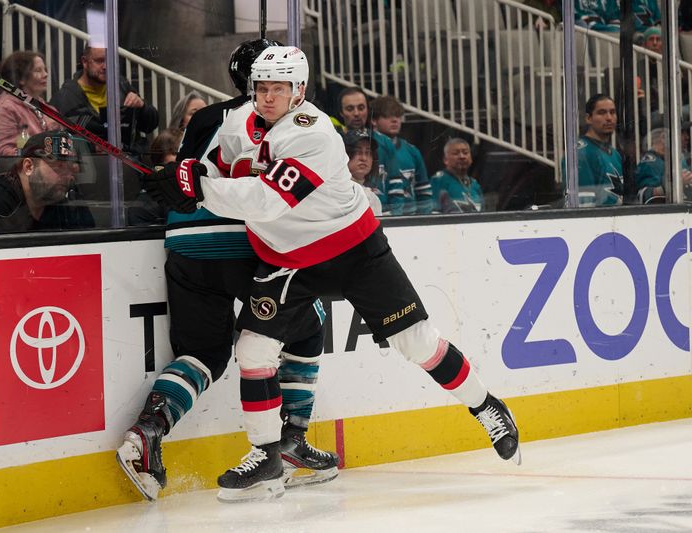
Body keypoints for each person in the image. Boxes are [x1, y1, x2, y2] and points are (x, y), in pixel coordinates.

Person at [146, 45, 521, 503]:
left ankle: (487, 407)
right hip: (286, 258)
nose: (267, 98)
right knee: (253, 348)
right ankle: (267, 457)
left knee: (417, 342)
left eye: (278, 90)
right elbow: (216, 167)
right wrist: (183, 175)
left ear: (298, 91)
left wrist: (198, 190)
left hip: (353, 252)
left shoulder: (314, 133)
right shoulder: (235, 123)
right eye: (260, 88)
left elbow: (266, 201)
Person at [116, 39, 338, 502]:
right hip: (243, 238)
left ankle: (145, 435)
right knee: (309, 322)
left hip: (184, 241)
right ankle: (291, 439)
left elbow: (185, 176)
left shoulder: (204, 117)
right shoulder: (284, 120)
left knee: (205, 352)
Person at [0, 130, 94, 231]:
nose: (68, 176)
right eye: (58, 167)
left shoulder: (68, 200)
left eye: (70, 168)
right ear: (28, 166)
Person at [50, 46, 159, 155]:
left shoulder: (121, 86)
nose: (106, 66)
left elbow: (150, 125)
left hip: (129, 160)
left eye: (110, 60)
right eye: (99, 61)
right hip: (89, 165)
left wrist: (142, 106)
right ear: (84, 62)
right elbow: (54, 144)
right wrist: (90, 148)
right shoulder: (64, 98)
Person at [0, 51, 61, 159]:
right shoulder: (4, 109)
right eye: (38, 70)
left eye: (45, 70)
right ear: (21, 78)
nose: (45, 75)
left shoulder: (49, 109)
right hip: (24, 172)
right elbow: (5, 154)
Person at [369, 95, 431, 215]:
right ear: (373, 120)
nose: (395, 120)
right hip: (380, 216)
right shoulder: (367, 150)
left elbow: (423, 191)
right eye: (387, 116)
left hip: (411, 218)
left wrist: (426, 219)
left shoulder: (412, 151)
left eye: (398, 116)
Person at [568, 94, 623, 206]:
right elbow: (583, 207)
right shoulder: (580, 154)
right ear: (589, 118)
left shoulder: (615, 154)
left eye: (612, 112)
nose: (609, 118)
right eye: (602, 113)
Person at [636, 128, 692, 203]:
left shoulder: (675, 160)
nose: (687, 137)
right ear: (663, 137)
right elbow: (644, 196)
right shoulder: (650, 164)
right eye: (681, 133)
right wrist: (674, 184)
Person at [431, 138, 484, 213]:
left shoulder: (475, 184)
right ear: (445, 159)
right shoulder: (439, 181)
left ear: (471, 158)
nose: (462, 156)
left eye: (465, 153)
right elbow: (433, 214)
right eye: (456, 153)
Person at [344, 128, 384, 215]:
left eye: (368, 153)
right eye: (358, 152)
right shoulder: (336, 191)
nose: (364, 158)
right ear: (344, 154)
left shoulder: (372, 198)